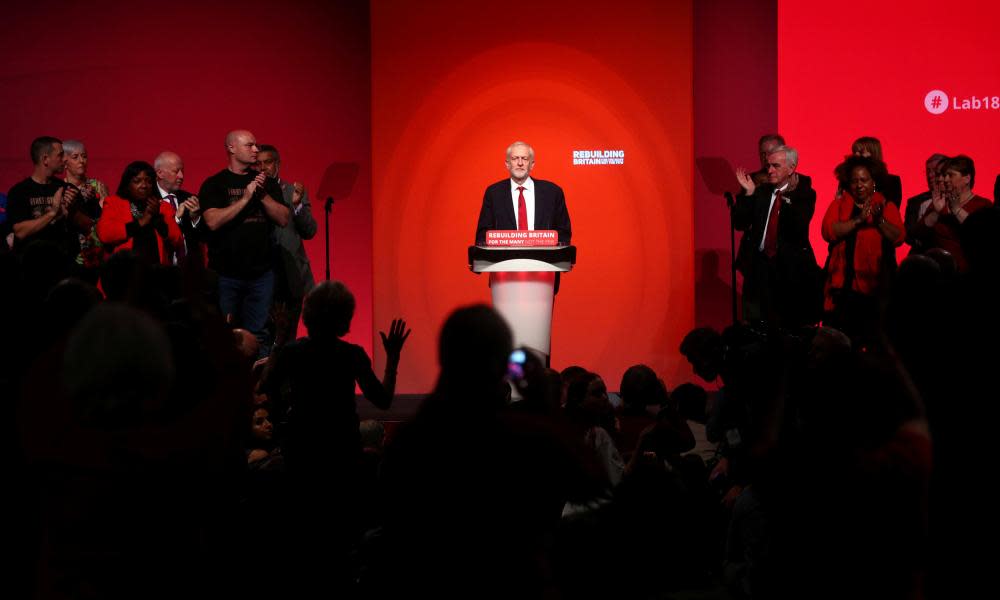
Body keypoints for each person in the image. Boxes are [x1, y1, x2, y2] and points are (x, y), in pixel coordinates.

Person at [199, 130, 290, 355]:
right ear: (231, 148)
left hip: (261, 274)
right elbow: (212, 221)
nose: (256, 150)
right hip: (226, 274)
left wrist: (262, 196)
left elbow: (283, 218)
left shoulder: (266, 183)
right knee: (225, 334)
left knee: (259, 334)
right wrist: (246, 198)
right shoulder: (215, 184)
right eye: (249, 146)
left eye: (256, 145)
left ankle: (258, 387)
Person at [821, 155, 904, 343]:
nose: (859, 185)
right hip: (845, 288)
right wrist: (857, 220)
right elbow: (828, 231)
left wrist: (879, 220)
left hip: (877, 287)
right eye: (854, 181)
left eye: (864, 180)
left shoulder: (886, 206)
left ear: (874, 182)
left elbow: (898, 237)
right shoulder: (839, 205)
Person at [734, 145, 820, 328]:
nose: (770, 170)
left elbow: (798, 227)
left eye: (776, 166)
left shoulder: (804, 194)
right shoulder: (761, 192)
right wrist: (748, 193)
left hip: (787, 270)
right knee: (756, 325)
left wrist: (787, 199)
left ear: (791, 168)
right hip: (759, 268)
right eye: (768, 166)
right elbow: (740, 223)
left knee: (786, 324)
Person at [256, 144, 317, 341]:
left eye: (267, 162)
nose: (263, 168)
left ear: (278, 165)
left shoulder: (292, 192)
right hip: (262, 275)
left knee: (288, 337)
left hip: (292, 278)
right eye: (258, 164)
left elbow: (310, 231)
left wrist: (298, 205)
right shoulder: (252, 192)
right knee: (264, 337)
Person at [475, 141, 571, 245]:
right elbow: (482, 236)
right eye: (515, 158)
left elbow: (564, 234)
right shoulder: (493, 193)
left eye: (524, 159)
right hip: (505, 259)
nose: (520, 163)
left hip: (543, 259)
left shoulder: (552, 192)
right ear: (507, 164)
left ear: (532, 164)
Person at [6, 136, 86, 259]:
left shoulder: (67, 189)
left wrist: (72, 210)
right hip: (31, 264)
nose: (65, 159)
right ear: (45, 159)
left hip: (62, 264)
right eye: (60, 155)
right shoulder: (19, 192)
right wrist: (53, 213)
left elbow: (88, 225)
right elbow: (20, 232)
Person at [908, 154, 993, 271]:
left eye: (951, 175)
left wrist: (956, 209)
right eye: (945, 175)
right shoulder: (941, 202)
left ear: (967, 179)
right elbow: (917, 233)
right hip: (939, 272)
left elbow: (982, 235)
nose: (945, 179)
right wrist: (936, 213)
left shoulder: (982, 204)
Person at [97, 161, 183, 266]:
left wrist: (157, 217)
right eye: (137, 181)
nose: (144, 185)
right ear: (127, 184)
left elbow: (177, 240)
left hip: (155, 273)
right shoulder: (114, 203)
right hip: (123, 273)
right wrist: (141, 222)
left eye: (148, 181)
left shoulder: (163, 206)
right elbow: (105, 235)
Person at [62, 140, 110, 277]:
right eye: (75, 157)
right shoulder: (60, 188)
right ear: (65, 162)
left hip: (95, 250)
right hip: (70, 250)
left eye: (84, 156)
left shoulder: (97, 186)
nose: (81, 161)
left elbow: (106, 217)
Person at [154, 151, 202, 264]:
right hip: (159, 269)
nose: (181, 176)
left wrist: (195, 219)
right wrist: (176, 218)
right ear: (160, 173)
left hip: (187, 270)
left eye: (182, 171)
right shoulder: (149, 201)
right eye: (176, 171)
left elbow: (202, 238)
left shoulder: (190, 199)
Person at [904, 154, 948, 255]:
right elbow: (908, 235)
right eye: (928, 171)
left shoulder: (957, 200)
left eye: (935, 171)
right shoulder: (916, 202)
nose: (930, 175)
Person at [850, 136, 903, 206]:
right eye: (854, 152)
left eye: (861, 152)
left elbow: (893, 211)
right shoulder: (847, 180)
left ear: (874, 153)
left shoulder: (892, 181)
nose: (856, 155)